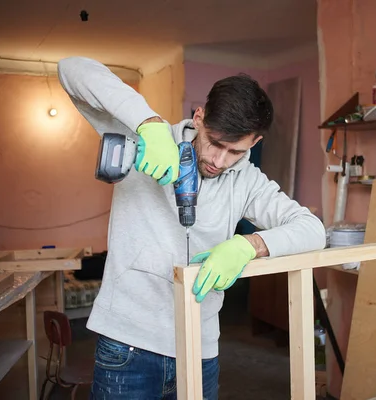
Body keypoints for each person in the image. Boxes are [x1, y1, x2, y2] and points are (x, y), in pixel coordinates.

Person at [57, 56, 326, 399]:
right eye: (215, 142)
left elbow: (312, 229)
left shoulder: (248, 180)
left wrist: (249, 245)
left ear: (254, 143)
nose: (219, 161)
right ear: (199, 117)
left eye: (235, 151)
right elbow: (71, 68)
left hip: (200, 349)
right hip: (128, 346)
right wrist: (149, 124)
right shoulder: (147, 137)